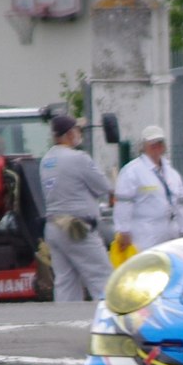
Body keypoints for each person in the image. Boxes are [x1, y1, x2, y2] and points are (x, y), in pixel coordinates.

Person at [40, 114, 112, 302]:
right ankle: (110, 321)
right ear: (70, 133)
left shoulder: (46, 161)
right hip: (77, 227)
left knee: (66, 282)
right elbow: (104, 186)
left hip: (54, 225)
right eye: (77, 130)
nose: (79, 134)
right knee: (102, 277)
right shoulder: (78, 158)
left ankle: (65, 324)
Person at [113, 125, 183, 256]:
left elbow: (181, 203)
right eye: (152, 143)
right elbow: (123, 202)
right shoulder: (131, 171)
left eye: (159, 142)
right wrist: (123, 230)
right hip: (143, 235)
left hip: (169, 234)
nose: (156, 146)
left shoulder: (172, 173)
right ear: (143, 146)